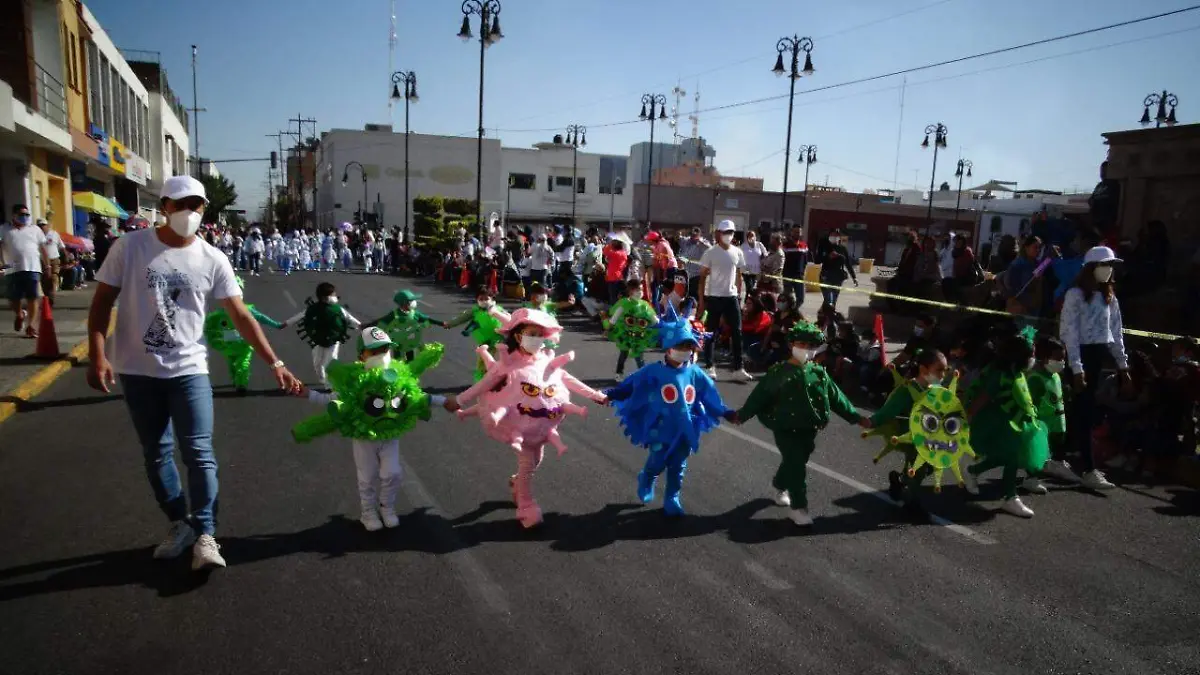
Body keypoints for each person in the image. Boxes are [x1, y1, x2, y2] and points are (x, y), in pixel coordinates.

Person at [85, 175, 303, 571]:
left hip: (189, 369)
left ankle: (205, 533)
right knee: (156, 453)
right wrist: (97, 354)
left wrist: (276, 362)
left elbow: (241, 315)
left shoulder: (212, 258)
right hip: (137, 370)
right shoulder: (130, 247)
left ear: (205, 209)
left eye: (197, 205)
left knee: (200, 453)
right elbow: (101, 303)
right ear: (164, 206)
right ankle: (178, 523)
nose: (189, 212)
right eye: (180, 203)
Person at [445, 309, 606, 528]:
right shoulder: (507, 365)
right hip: (518, 426)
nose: (537, 338)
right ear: (519, 336)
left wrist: (596, 395)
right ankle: (525, 505)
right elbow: (483, 384)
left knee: (536, 460)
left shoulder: (547, 362)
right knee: (528, 462)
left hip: (542, 428)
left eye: (540, 334)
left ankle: (517, 483)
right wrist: (460, 400)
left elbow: (569, 380)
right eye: (532, 333)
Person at [295, 329, 448, 531]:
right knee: (367, 476)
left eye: (385, 350)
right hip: (364, 438)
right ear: (362, 355)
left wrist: (444, 401)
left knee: (392, 473)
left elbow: (414, 397)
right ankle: (368, 513)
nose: (381, 355)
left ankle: (387, 508)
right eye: (374, 351)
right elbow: (333, 399)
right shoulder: (354, 379)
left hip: (390, 435)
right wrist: (308, 394)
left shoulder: (398, 373)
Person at [729, 321, 868, 526]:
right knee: (796, 464)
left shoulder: (819, 373)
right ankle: (799, 508)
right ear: (792, 344)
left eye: (810, 346)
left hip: (809, 428)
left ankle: (779, 484)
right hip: (785, 428)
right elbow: (759, 397)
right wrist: (741, 415)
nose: (806, 349)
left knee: (798, 460)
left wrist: (856, 417)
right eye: (801, 344)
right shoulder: (778, 373)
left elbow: (837, 398)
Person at [604, 305, 728, 517]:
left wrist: (726, 412)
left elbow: (710, 395)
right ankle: (648, 477)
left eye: (689, 347)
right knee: (657, 461)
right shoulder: (653, 371)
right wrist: (610, 394)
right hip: (660, 428)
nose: (685, 351)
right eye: (681, 345)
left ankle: (672, 497)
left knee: (678, 466)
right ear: (669, 348)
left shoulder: (696, 373)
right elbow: (630, 385)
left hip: (684, 429)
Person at [1055, 245, 1128, 490]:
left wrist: (1122, 365)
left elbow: (1116, 333)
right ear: (1091, 268)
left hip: (1098, 356)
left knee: (1080, 413)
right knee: (1084, 412)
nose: (1108, 270)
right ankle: (1088, 468)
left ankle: (1055, 459)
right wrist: (1076, 368)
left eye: (1111, 266)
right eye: (1104, 265)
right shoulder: (1075, 294)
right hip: (1080, 356)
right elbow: (1069, 332)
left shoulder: (1110, 297)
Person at [963, 332, 1051, 518]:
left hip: (1015, 422)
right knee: (1012, 457)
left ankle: (973, 471)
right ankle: (1009, 497)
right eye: (1031, 354)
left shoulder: (1016, 372)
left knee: (1006, 457)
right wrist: (968, 418)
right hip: (999, 424)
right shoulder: (998, 375)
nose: (1033, 358)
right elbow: (982, 399)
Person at [697, 221, 752, 381]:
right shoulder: (710, 252)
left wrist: (740, 297)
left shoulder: (738, 252)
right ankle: (709, 366)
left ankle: (738, 367)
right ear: (718, 233)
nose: (729, 234)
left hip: (732, 297)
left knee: (737, 332)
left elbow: (739, 276)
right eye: (725, 231)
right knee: (710, 333)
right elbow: (702, 278)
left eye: (731, 232)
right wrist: (701, 301)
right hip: (714, 297)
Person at [281, 281, 362, 388]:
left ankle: (330, 385)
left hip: (333, 341)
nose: (335, 297)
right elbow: (299, 316)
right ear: (324, 297)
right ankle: (322, 378)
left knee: (331, 362)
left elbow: (350, 319)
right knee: (317, 363)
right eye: (332, 295)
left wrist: (362, 327)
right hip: (317, 341)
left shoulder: (338, 309)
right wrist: (285, 324)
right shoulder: (313, 309)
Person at [0, 204, 49, 337]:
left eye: (27, 215)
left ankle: (31, 325)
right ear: (14, 215)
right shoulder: (4, 229)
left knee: (33, 297)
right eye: (21, 214)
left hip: (33, 267)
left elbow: (42, 248)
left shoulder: (35, 229)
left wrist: (47, 266)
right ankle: (20, 314)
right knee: (13, 297)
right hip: (11, 268)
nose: (25, 217)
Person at [365, 289, 448, 362]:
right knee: (397, 361)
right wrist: (366, 326)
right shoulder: (394, 315)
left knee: (410, 360)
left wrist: (441, 323)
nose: (413, 303)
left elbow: (427, 319)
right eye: (410, 301)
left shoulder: (415, 314)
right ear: (404, 303)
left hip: (410, 342)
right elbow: (381, 321)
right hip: (397, 342)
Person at [604, 278, 659, 380]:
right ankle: (619, 373)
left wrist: (660, 324)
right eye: (638, 290)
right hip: (625, 335)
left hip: (639, 336)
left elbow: (654, 320)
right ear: (630, 291)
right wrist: (608, 329)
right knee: (623, 354)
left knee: (639, 356)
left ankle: (642, 375)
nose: (640, 292)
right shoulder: (624, 304)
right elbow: (614, 319)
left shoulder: (645, 306)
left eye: (642, 289)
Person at [817, 229, 858, 307]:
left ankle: (828, 316)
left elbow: (848, 264)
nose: (834, 237)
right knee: (829, 300)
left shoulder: (842, 248)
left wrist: (854, 277)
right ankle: (824, 315)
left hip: (838, 278)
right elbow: (817, 260)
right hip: (826, 277)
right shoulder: (825, 247)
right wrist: (828, 257)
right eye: (832, 235)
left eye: (836, 235)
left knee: (833, 301)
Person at [37, 218, 65, 304]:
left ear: (47, 225)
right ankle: (47, 296)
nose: (42, 227)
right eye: (40, 225)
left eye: (43, 225)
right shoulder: (35, 235)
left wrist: (66, 255)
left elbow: (61, 246)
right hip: (41, 260)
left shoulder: (54, 234)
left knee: (53, 277)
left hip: (54, 259)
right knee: (44, 279)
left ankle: (52, 295)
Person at [678, 228, 711, 298]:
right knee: (687, 296)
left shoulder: (703, 242)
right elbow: (685, 256)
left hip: (697, 275)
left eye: (695, 235)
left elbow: (710, 249)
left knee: (694, 296)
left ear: (699, 235)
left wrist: (700, 242)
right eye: (692, 235)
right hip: (687, 274)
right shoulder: (688, 242)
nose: (693, 237)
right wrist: (681, 259)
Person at [781, 224, 809, 304]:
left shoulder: (804, 245)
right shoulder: (786, 245)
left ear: (801, 233)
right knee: (788, 299)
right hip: (787, 276)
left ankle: (794, 312)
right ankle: (788, 313)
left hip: (799, 276)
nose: (797, 233)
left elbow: (805, 261)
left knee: (800, 299)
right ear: (791, 232)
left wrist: (804, 272)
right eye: (795, 232)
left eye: (799, 232)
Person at [740, 229, 767, 296]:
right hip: (747, 271)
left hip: (757, 271)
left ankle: (750, 302)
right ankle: (748, 302)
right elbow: (739, 256)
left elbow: (766, 254)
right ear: (747, 238)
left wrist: (763, 260)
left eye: (753, 235)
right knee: (749, 288)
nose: (751, 237)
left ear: (755, 237)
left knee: (754, 289)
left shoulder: (759, 245)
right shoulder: (743, 246)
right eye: (749, 236)